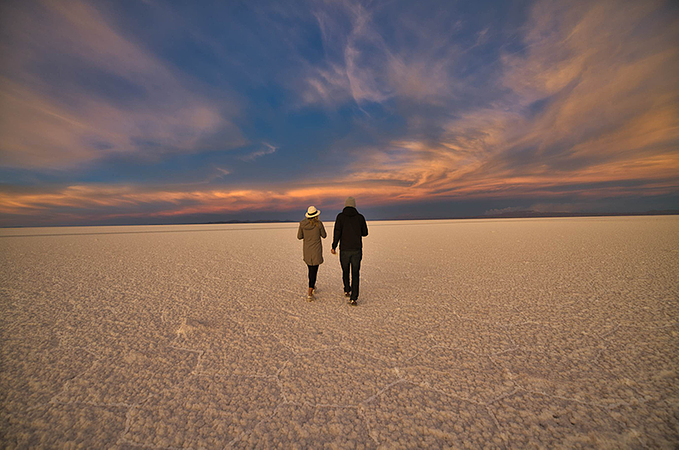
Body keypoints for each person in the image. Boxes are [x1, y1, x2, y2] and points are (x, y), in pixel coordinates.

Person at [331, 197, 368, 305]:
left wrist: (334, 246)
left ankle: (347, 289)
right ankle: (354, 297)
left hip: (344, 250)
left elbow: (337, 232)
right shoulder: (360, 217)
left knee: (345, 270)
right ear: (354, 205)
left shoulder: (340, 217)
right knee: (355, 273)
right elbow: (365, 233)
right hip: (356, 249)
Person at [297, 205, 327, 301]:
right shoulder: (319, 224)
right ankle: (310, 293)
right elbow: (324, 235)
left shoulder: (302, 224)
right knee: (314, 271)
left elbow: (299, 236)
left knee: (310, 269)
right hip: (316, 251)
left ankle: (312, 286)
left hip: (307, 251)